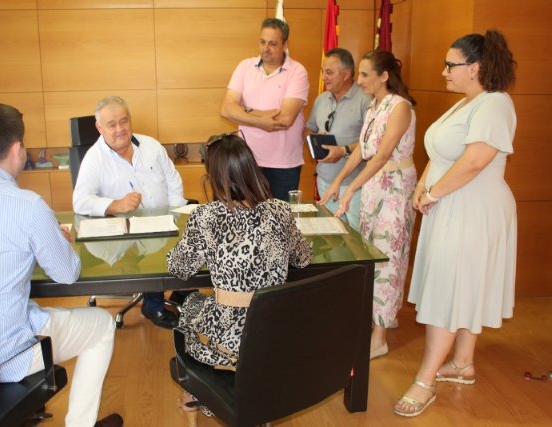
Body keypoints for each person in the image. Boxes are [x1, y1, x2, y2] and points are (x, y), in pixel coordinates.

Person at [0, 103, 122, 427]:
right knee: (102, 325)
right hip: (3, 358)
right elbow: (67, 273)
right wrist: (60, 242)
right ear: (16, 149)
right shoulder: (28, 206)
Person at [394, 30, 517, 418]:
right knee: (461, 285)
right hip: (452, 204)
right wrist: (424, 186)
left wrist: (433, 193)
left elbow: (476, 161)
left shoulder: (495, 104)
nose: (444, 72)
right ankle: (462, 363)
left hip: (473, 210)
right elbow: (442, 154)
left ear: (475, 67)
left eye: (451, 65)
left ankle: (425, 380)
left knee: (449, 289)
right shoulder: (467, 103)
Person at [167, 132, 312, 425]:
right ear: (252, 169)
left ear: (213, 177)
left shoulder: (206, 217)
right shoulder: (280, 211)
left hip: (229, 339)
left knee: (187, 304)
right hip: (275, 332)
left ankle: (196, 394)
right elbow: (303, 258)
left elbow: (179, 267)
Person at [319, 49, 417, 360]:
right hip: (375, 187)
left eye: (364, 74)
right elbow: (363, 150)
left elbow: (383, 155)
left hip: (395, 188)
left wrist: (351, 189)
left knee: (389, 257)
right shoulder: (375, 105)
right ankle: (378, 318)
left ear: (384, 76)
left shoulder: (400, 107)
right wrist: (338, 183)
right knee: (371, 253)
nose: (359, 80)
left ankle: (380, 338)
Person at [73, 96, 190, 329]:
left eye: (123, 121)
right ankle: (153, 305)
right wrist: (115, 205)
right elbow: (80, 201)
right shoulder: (94, 159)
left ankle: (181, 292)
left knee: (194, 239)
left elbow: (173, 181)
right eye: (112, 124)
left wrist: (176, 215)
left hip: (166, 220)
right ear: (99, 127)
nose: (120, 129)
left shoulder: (151, 145)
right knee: (148, 251)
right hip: (126, 233)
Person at [220, 18, 309, 201]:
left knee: (280, 217)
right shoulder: (245, 67)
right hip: (247, 161)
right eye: (262, 42)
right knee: (248, 215)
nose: (265, 48)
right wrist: (262, 119)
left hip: (284, 165)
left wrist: (244, 111)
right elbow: (227, 109)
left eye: (272, 44)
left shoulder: (297, 71)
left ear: (285, 44)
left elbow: (284, 119)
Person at [304, 47, 372, 231]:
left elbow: (373, 142)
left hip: (355, 184)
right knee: (331, 235)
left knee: (355, 238)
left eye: (329, 72)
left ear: (346, 74)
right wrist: (314, 141)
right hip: (324, 181)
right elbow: (309, 129)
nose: (324, 77)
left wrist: (343, 151)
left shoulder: (366, 100)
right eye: (322, 71)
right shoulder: (321, 100)